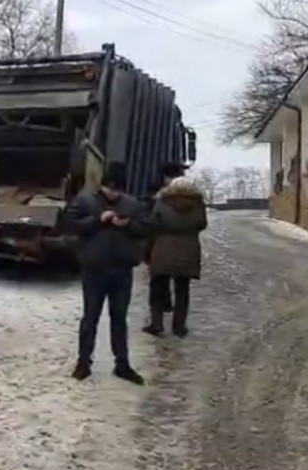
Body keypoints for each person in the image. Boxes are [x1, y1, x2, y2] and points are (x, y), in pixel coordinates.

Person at [63, 162, 148, 384]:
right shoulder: (85, 201)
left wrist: (127, 225)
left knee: (119, 317)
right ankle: (83, 362)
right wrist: (98, 220)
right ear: (102, 185)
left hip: (121, 269)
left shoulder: (133, 205)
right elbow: (70, 224)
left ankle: (122, 363)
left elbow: (145, 229)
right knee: (90, 316)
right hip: (94, 268)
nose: (113, 192)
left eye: (117, 188)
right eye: (110, 187)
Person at [142, 174, 207, 338]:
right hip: (188, 249)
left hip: (163, 248)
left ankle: (156, 323)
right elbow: (202, 224)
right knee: (182, 290)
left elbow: (153, 224)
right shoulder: (197, 204)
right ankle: (179, 326)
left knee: (157, 288)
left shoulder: (162, 201)